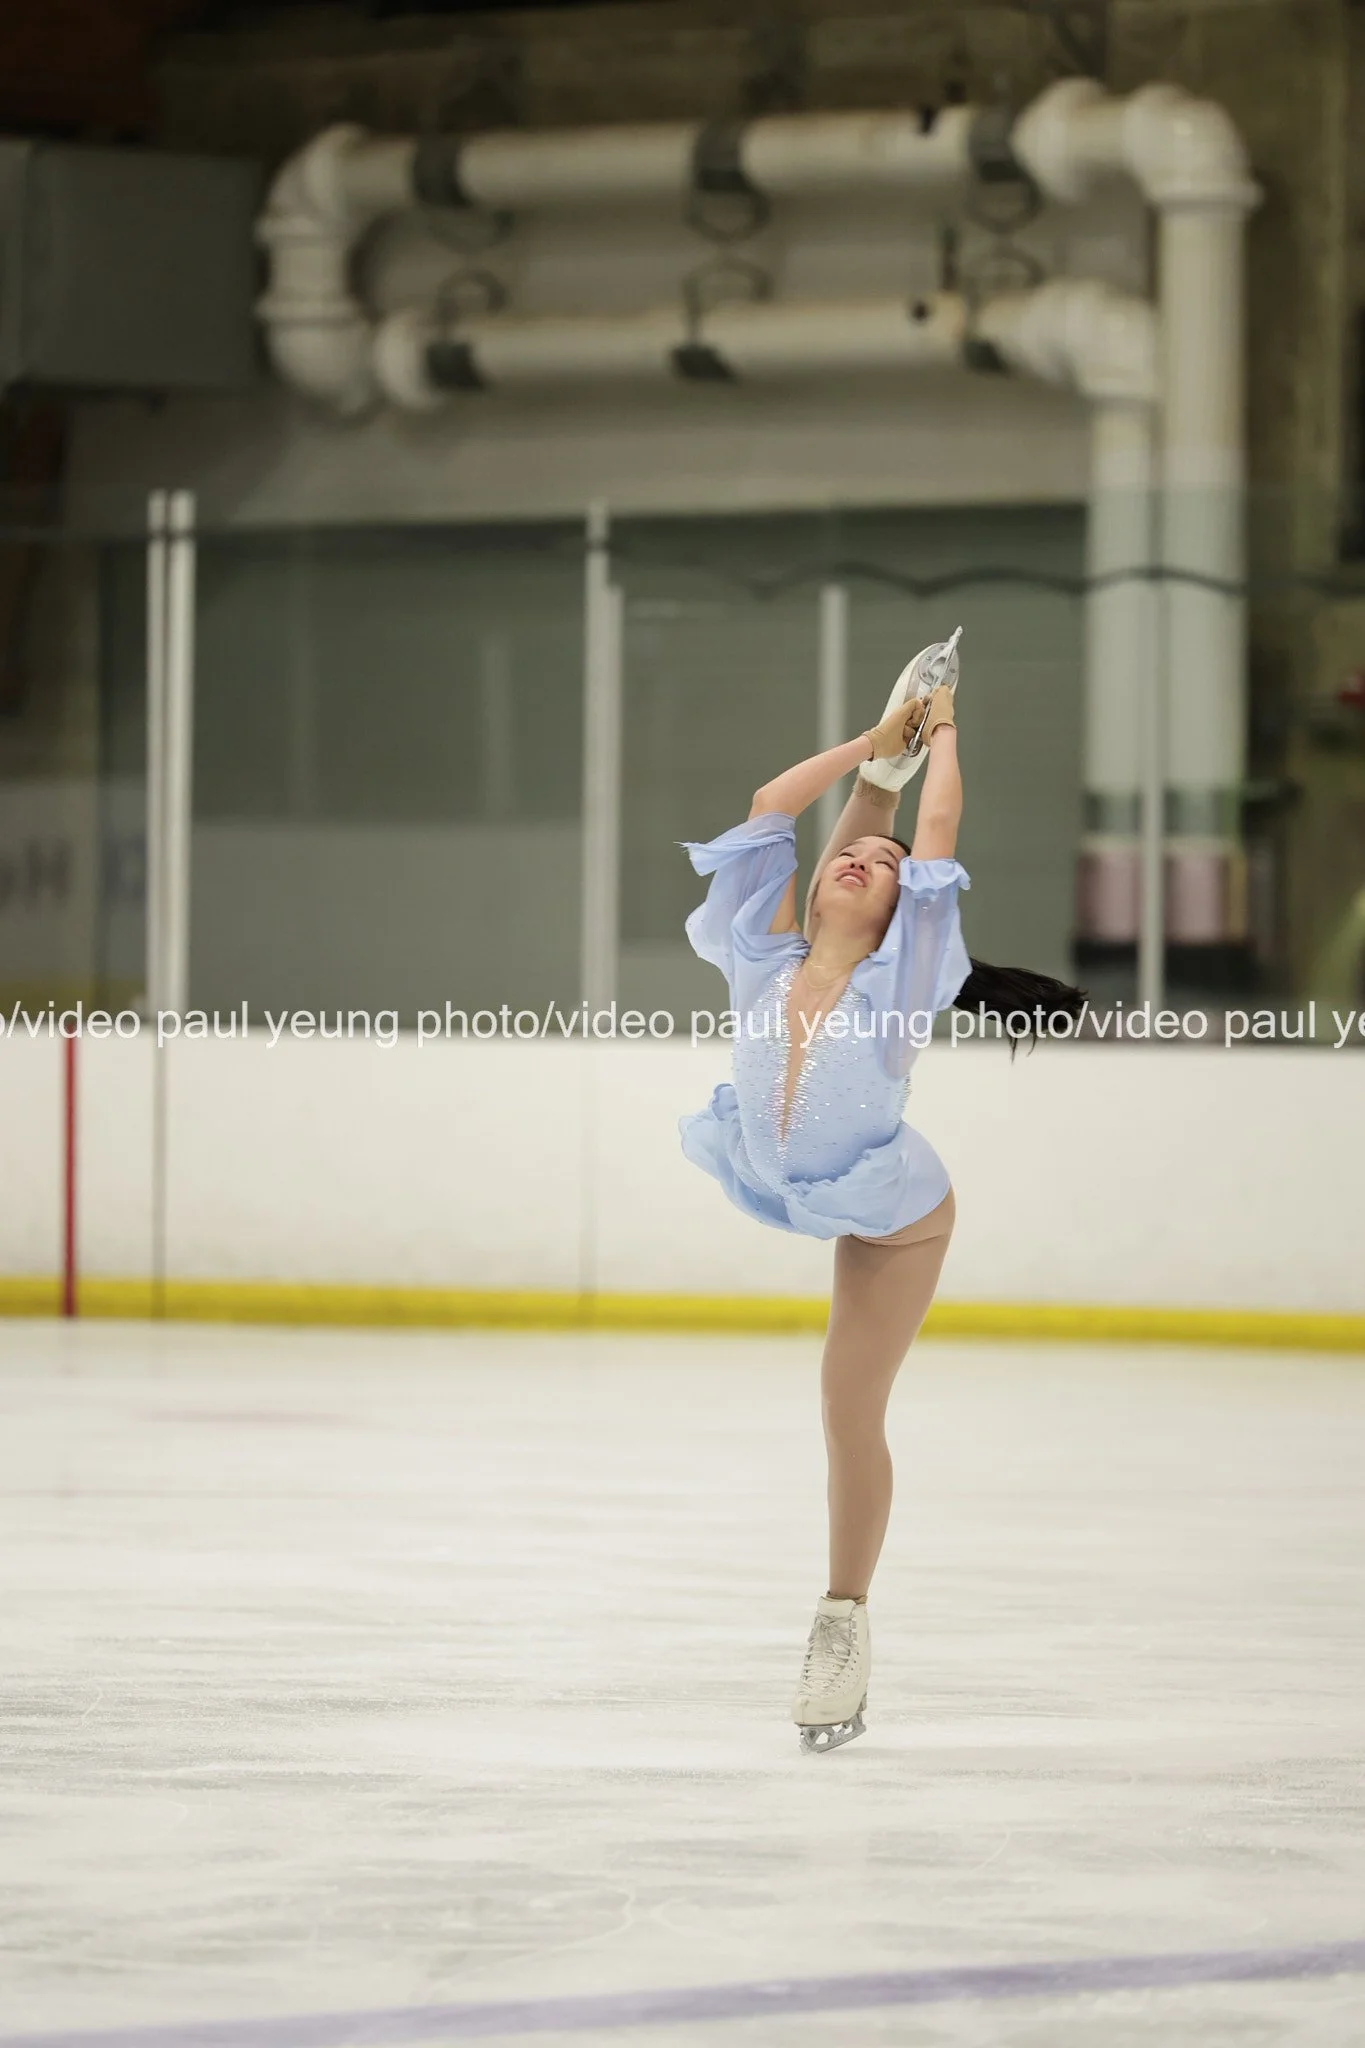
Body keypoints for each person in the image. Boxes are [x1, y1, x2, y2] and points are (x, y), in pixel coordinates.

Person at [678, 636, 1083, 1753]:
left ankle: (841, 1624)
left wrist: (943, 728)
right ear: (812, 883)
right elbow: (771, 805)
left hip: (896, 1217)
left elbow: (934, 832)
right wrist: (875, 747)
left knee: (848, 1412)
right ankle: (841, 1621)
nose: (861, 860)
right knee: (833, 1410)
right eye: (846, 855)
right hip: (791, 1181)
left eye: (884, 865)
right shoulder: (761, 959)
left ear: (911, 911)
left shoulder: (901, 986)